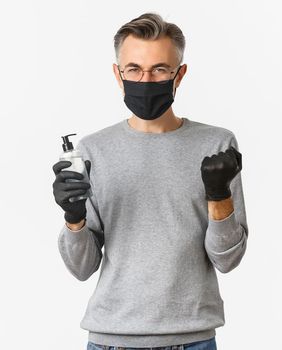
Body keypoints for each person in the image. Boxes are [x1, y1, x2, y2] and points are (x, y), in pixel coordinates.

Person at [51, 12, 249, 350]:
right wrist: (73, 219)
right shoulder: (93, 150)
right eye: (134, 69)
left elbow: (227, 260)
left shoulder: (216, 146)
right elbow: (82, 268)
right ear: (118, 74)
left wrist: (218, 197)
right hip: (110, 338)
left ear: (179, 74)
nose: (145, 80)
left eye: (159, 69)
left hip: (193, 338)